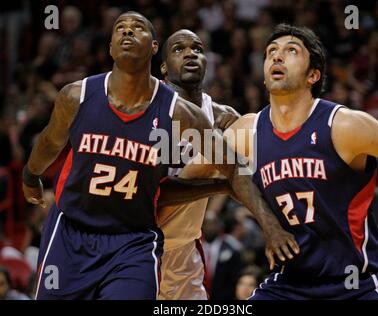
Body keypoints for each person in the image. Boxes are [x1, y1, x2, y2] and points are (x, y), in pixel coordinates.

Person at [22, 12, 298, 300]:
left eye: (198, 49)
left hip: (143, 240)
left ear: (152, 47)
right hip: (78, 230)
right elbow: (50, 142)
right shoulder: (79, 96)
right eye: (120, 29)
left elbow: (241, 171)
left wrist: (272, 225)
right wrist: (30, 175)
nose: (128, 33)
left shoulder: (202, 117)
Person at [180, 24, 378, 300]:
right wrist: (230, 188)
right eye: (271, 51)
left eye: (291, 51)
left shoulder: (344, 125)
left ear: (314, 75)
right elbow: (183, 180)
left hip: (359, 284)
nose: (277, 56)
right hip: (290, 285)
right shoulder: (246, 132)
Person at [156, 29, 240, 300]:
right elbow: (160, 193)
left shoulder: (224, 117)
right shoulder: (148, 112)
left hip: (184, 248)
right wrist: (222, 185)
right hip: (139, 244)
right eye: (179, 49)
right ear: (164, 69)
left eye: (198, 48)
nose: (191, 53)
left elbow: (246, 180)